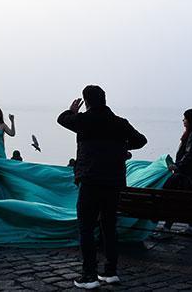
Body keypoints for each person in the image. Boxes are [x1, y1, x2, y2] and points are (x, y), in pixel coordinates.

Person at [58, 85, 147, 289]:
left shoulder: (84, 120)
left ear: (86, 101)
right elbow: (141, 140)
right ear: (104, 99)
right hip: (113, 183)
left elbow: (62, 119)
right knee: (109, 226)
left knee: (86, 227)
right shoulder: (120, 123)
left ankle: (89, 275)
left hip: (90, 180)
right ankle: (110, 271)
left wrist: (73, 110)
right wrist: (121, 147)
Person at [158, 107, 192, 236]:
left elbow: (189, 155)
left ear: (190, 120)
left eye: (185, 118)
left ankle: (167, 228)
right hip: (191, 174)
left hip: (186, 175)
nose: (183, 120)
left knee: (175, 200)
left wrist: (177, 166)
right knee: (186, 201)